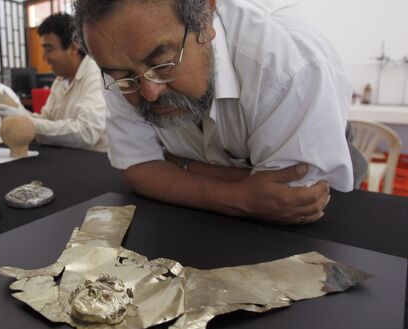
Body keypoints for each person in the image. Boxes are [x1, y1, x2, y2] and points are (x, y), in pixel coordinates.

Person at [72, 0, 361, 224]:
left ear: (206, 17)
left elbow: (291, 196)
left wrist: (177, 164)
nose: (148, 91)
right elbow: (139, 170)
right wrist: (241, 196)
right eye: (122, 76)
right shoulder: (119, 61)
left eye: (162, 62)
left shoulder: (287, 62)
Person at [0, 13, 108, 152]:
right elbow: (46, 120)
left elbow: (87, 132)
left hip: (95, 161)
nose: (44, 57)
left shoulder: (96, 73)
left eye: (49, 49)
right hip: (65, 155)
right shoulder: (60, 80)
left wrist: (26, 121)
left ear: (74, 47)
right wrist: (18, 112)